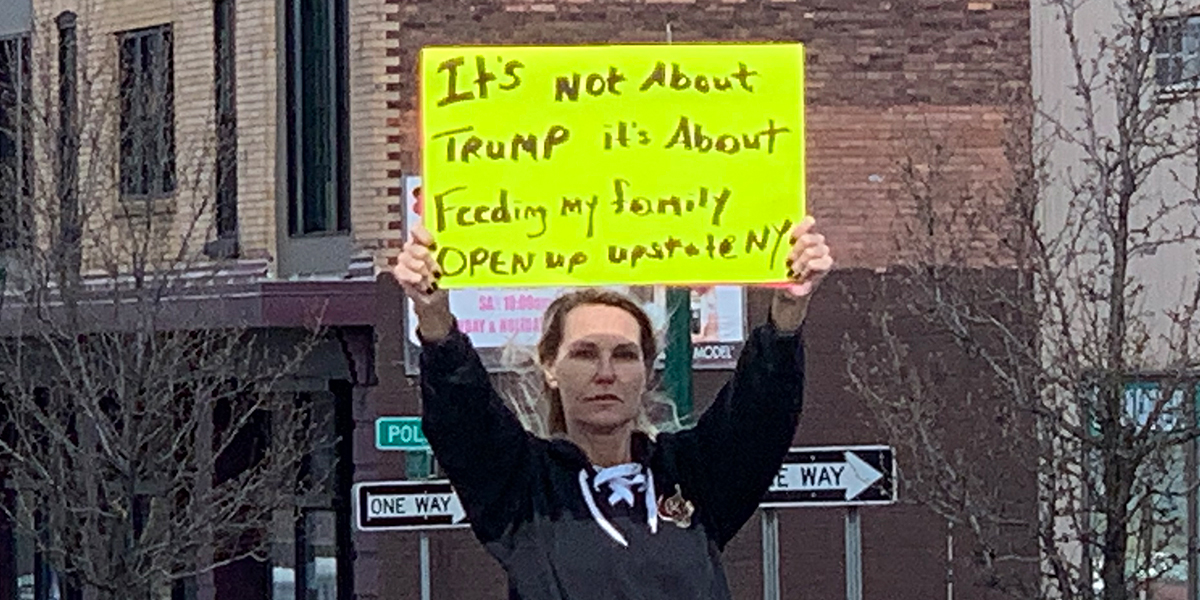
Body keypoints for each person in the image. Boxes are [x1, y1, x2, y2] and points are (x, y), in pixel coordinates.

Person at [392, 216, 832, 600]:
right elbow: (463, 417)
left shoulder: (693, 477)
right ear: (550, 366)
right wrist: (433, 317)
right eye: (584, 354)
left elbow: (760, 415)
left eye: (624, 355)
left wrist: (788, 310)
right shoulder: (524, 490)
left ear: (646, 370)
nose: (605, 373)